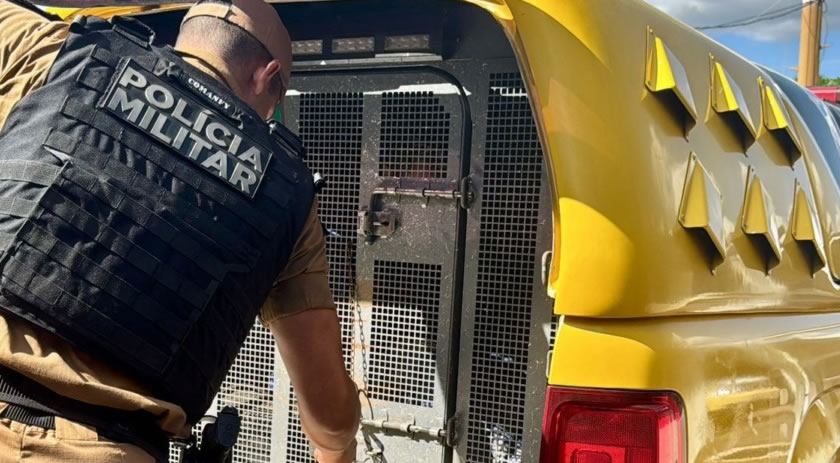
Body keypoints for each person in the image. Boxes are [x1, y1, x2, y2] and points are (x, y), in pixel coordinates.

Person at [0, 1, 360, 462]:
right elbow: (330, 420)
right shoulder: (287, 193)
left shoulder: (55, 51)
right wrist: (339, 452)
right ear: (267, 77)